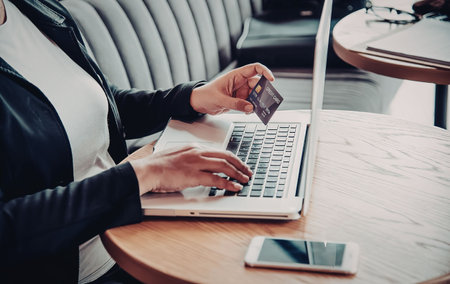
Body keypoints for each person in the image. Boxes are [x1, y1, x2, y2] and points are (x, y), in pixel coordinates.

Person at [0, 0, 275, 283]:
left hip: (131, 225)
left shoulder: (35, 9)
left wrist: (192, 98)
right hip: (89, 270)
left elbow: (97, 105)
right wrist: (146, 173)